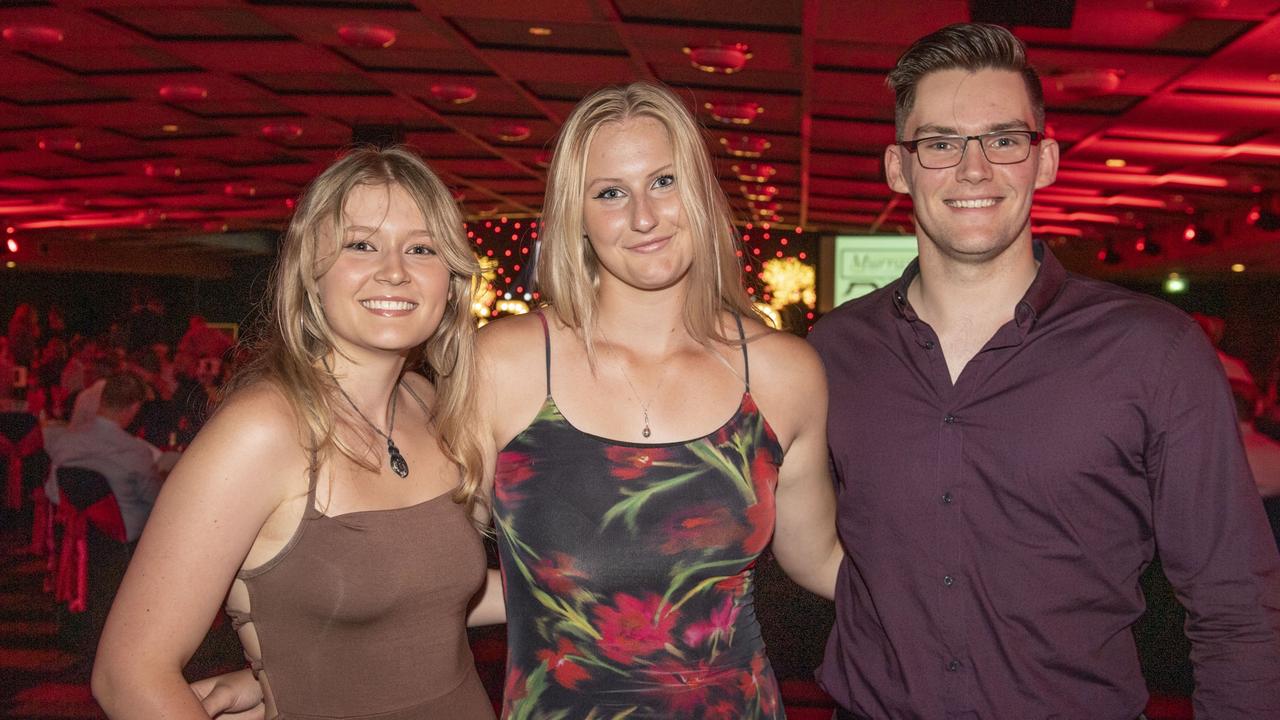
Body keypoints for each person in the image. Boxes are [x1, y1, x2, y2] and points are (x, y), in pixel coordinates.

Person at [808, 22, 1280, 720]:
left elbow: (1235, 601)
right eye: (940, 144)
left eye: (1003, 140)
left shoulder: (1154, 350)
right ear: (897, 168)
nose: (974, 170)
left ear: (1046, 159)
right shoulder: (832, 350)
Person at [91, 146, 502, 720]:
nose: (395, 270)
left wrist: (595, 578)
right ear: (311, 270)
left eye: (422, 248)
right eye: (361, 244)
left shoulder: (426, 402)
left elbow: (431, 596)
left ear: (451, 280)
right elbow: (128, 675)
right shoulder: (261, 431)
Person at [480, 81, 840, 718]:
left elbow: (823, 564)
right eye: (611, 193)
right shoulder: (505, 365)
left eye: (665, 181)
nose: (643, 216)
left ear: (700, 193)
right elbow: (422, 569)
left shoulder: (782, 373)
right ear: (576, 216)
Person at [46, 371, 161, 543]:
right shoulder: (136, 451)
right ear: (135, 408)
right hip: (123, 540)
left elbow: (53, 493)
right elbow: (156, 501)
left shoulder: (66, 440)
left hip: (76, 535)